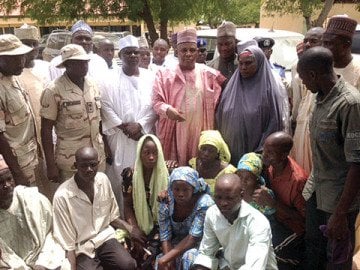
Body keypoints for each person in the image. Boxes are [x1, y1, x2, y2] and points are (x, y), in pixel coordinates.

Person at [297, 46, 360, 269]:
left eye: (304, 78)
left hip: (338, 201)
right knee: (314, 249)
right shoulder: (319, 98)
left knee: (337, 258)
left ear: (313, 75)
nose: (303, 84)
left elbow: (356, 164)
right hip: (317, 191)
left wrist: (341, 214)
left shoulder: (350, 104)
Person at [53, 147, 138, 270]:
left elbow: (112, 217)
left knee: (129, 265)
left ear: (98, 164)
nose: (89, 169)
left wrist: (131, 229)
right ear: (75, 166)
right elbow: (68, 244)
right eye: (84, 166)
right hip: (81, 247)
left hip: (105, 237)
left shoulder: (103, 180)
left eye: (93, 165)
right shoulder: (62, 196)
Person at [153, 28, 226, 166]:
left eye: (192, 50)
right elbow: (156, 102)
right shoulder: (164, 74)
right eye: (184, 50)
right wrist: (167, 110)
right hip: (174, 129)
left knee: (198, 167)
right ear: (176, 52)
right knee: (174, 168)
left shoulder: (208, 74)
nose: (188, 54)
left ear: (197, 52)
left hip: (200, 129)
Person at [101, 35, 156, 214]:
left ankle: (147, 217)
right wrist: (124, 127)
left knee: (146, 176)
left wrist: (140, 125)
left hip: (144, 136)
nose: (133, 56)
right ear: (121, 56)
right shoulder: (108, 79)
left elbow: (156, 105)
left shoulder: (151, 77)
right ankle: (124, 219)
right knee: (121, 178)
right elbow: (105, 105)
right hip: (120, 139)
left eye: (135, 52)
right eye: (128, 53)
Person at [40, 44, 105, 183]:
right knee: (74, 200)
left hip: (96, 156)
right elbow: (46, 129)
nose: (84, 66)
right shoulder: (54, 90)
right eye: (78, 63)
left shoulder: (92, 85)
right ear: (67, 65)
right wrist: (51, 165)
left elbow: (98, 121)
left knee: (98, 197)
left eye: (85, 62)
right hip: (71, 161)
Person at [193, 173, 278, 270]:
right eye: (218, 197)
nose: (223, 203)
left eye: (229, 198)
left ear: (241, 195)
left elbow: (254, 267)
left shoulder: (258, 222)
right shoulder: (212, 214)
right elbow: (207, 254)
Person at [216, 45, 284, 166]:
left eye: (248, 63)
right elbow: (219, 116)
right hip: (230, 153)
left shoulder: (269, 91)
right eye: (240, 63)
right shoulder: (231, 88)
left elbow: (274, 124)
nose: (243, 67)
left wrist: (261, 152)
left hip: (256, 155)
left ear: (259, 63)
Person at [0, 155, 67, 270]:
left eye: (9, 179)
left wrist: (43, 263)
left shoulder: (33, 199)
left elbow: (53, 233)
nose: (6, 186)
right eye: (0, 182)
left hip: (45, 260)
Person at [255, 131, 307, 268]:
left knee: (267, 252)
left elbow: (305, 220)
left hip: (292, 228)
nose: (264, 155)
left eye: (270, 153)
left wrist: (273, 203)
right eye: (264, 149)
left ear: (284, 155)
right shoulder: (268, 166)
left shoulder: (297, 180)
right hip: (273, 219)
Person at [121, 134, 169, 262]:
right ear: (139, 154)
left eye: (155, 153)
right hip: (138, 223)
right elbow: (127, 205)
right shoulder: (129, 175)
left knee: (148, 253)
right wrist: (134, 229)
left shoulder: (168, 173)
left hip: (161, 224)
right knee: (126, 250)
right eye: (146, 153)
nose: (151, 157)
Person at [157, 166, 214, 270]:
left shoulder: (204, 204)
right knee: (160, 262)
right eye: (176, 189)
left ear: (194, 188)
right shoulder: (166, 203)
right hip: (176, 245)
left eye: (185, 190)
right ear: (171, 188)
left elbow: (193, 238)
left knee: (189, 257)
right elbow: (165, 235)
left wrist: (166, 259)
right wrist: (168, 261)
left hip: (199, 246)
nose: (180, 194)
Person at [0, 34, 38, 186]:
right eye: (15, 58)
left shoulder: (13, 77)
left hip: (29, 158)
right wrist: (16, 173)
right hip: (14, 167)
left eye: (22, 56)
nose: (22, 61)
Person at [290, 27, 325, 175]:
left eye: (313, 41)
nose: (308, 44)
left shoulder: (328, 70)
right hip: (302, 129)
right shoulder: (298, 69)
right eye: (306, 41)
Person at [48, 20, 108, 85]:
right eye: (79, 38)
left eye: (87, 39)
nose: (84, 41)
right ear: (71, 41)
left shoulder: (100, 62)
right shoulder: (57, 62)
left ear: (91, 43)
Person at [189, 130, 236, 194]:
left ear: (217, 153)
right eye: (204, 149)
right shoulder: (193, 165)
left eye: (211, 151)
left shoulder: (227, 171)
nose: (206, 154)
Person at [323, 15, 360, 90]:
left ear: (345, 46)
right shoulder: (321, 69)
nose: (324, 48)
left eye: (329, 43)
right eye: (324, 43)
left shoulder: (358, 71)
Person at [236, 152, 276, 216]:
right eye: (240, 176)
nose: (243, 181)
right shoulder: (233, 190)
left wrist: (270, 203)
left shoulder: (263, 195)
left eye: (248, 178)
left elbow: (271, 213)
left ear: (256, 179)